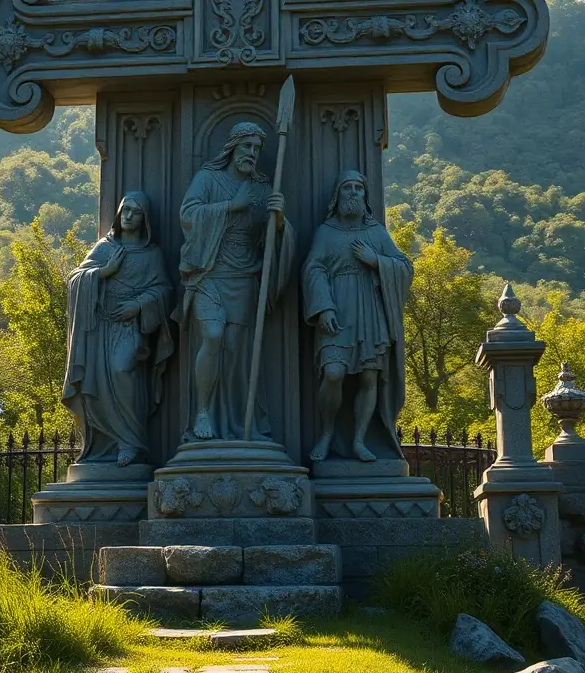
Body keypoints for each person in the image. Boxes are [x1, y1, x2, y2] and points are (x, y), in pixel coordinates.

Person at [177, 122, 294, 441]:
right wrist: (231, 206)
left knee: (236, 351)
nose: (252, 154)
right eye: (247, 147)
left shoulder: (262, 186)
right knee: (212, 336)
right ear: (232, 147)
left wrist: (280, 221)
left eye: (257, 149)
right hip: (210, 274)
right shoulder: (208, 179)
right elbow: (188, 215)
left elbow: (272, 240)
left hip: (244, 278)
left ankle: (239, 423)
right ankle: (202, 412)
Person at [302, 169, 412, 463]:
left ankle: (360, 440)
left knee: (369, 377)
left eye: (358, 188)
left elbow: (404, 266)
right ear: (337, 196)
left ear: (365, 196)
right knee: (334, 373)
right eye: (347, 188)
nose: (353, 193)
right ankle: (326, 433)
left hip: (369, 309)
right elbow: (313, 269)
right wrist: (323, 306)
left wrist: (376, 261)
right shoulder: (326, 232)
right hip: (337, 308)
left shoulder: (376, 232)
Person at [62, 192, 174, 466]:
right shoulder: (105, 247)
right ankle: (107, 443)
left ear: (144, 218)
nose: (127, 216)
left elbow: (164, 290)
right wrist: (104, 272)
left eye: (135, 211)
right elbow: (75, 279)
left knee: (121, 369)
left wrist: (138, 305)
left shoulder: (152, 254)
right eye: (124, 210)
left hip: (130, 326)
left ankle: (132, 440)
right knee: (95, 384)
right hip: (100, 328)